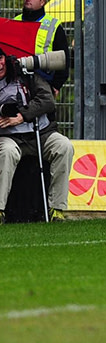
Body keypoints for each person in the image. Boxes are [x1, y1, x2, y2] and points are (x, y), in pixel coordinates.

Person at [0, 46, 73, 224]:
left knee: (64, 146)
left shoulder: (26, 74)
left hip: (40, 132)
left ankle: (57, 208)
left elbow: (48, 101)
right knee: (7, 153)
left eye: (0, 58)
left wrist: (22, 116)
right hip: (9, 137)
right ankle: (0, 210)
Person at [14, 0, 70, 95]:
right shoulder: (15, 22)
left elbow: (63, 58)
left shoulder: (53, 25)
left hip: (44, 81)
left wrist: (56, 85)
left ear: (42, 2)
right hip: (17, 81)